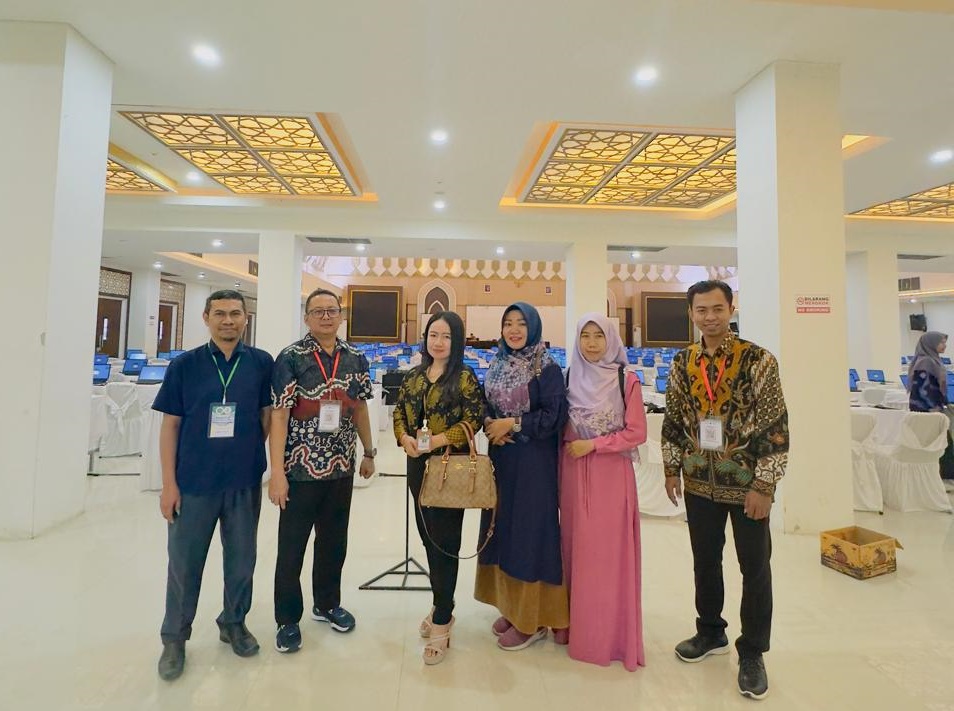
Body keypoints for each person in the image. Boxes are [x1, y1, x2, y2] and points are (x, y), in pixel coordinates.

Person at [661, 280, 788, 701]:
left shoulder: (758, 360)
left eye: (717, 308)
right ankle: (710, 631)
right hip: (699, 481)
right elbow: (674, 419)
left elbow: (775, 427)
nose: (710, 317)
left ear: (731, 309)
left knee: (755, 568)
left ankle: (752, 652)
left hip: (747, 484)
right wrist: (672, 468)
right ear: (691, 314)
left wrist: (765, 485)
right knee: (705, 561)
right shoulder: (684, 361)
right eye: (701, 310)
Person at [153, 290, 274, 681]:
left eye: (235, 313)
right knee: (185, 565)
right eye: (220, 313)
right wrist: (168, 484)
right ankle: (175, 638)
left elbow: (266, 416)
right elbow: (170, 426)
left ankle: (233, 622)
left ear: (245, 318)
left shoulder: (260, 363)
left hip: (243, 481)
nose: (228, 321)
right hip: (194, 483)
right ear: (206, 318)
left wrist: (252, 453)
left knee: (242, 560)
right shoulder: (185, 365)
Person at [269, 289, 375, 653]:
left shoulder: (356, 358)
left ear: (341, 316)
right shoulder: (290, 357)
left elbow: (360, 408)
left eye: (332, 310)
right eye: (318, 311)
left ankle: (327, 603)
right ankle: (287, 620)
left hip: (341, 467)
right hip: (299, 469)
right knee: (292, 548)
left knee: (334, 543)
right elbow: (279, 415)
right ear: (307, 317)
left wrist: (369, 452)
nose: (326, 317)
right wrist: (277, 473)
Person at [392, 311, 485, 665]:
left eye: (446, 336)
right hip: (418, 466)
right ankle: (440, 602)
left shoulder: (463, 377)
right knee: (428, 538)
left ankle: (443, 618)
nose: (439, 342)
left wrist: (439, 440)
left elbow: (474, 418)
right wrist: (404, 439)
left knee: (445, 543)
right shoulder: (414, 376)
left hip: (449, 466)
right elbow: (400, 413)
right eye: (434, 335)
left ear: (456, 340)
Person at [475, 302, 569, 651]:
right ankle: (512, 607)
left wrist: (512, 424)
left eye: (521, 323)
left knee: (530, 534)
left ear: (534, 327)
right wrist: (490, 425)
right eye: (508, 323)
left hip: (533, 462)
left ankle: (533, 619)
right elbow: (485, 404)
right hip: (502, 457)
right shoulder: (497, 362)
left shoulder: (547, 366)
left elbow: (555, 416)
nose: (514, 330)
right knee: (504, 531)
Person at [560, 313, 646, 671]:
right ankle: (572, 627)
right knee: (574, 551)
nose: (592, 343)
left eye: (599, 336)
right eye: (585, 336)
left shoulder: (626, 380)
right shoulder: (568, 377)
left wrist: (594, 445)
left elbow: (636, 432)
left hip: (610, 476)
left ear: (611, 339)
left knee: (606, 557)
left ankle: (607, 636)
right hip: (572, 475)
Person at [907, 331, 954, 481]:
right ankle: (942, 476)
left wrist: (944, 402)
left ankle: (942, 475)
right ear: (931, 344)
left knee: (942, 443)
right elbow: (923, 389)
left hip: (933, 409)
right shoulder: (926, 362)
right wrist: (935, 408)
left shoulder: (933, 360)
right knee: (939, 443)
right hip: (926, 410)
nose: (944, 345)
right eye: (941, 342)